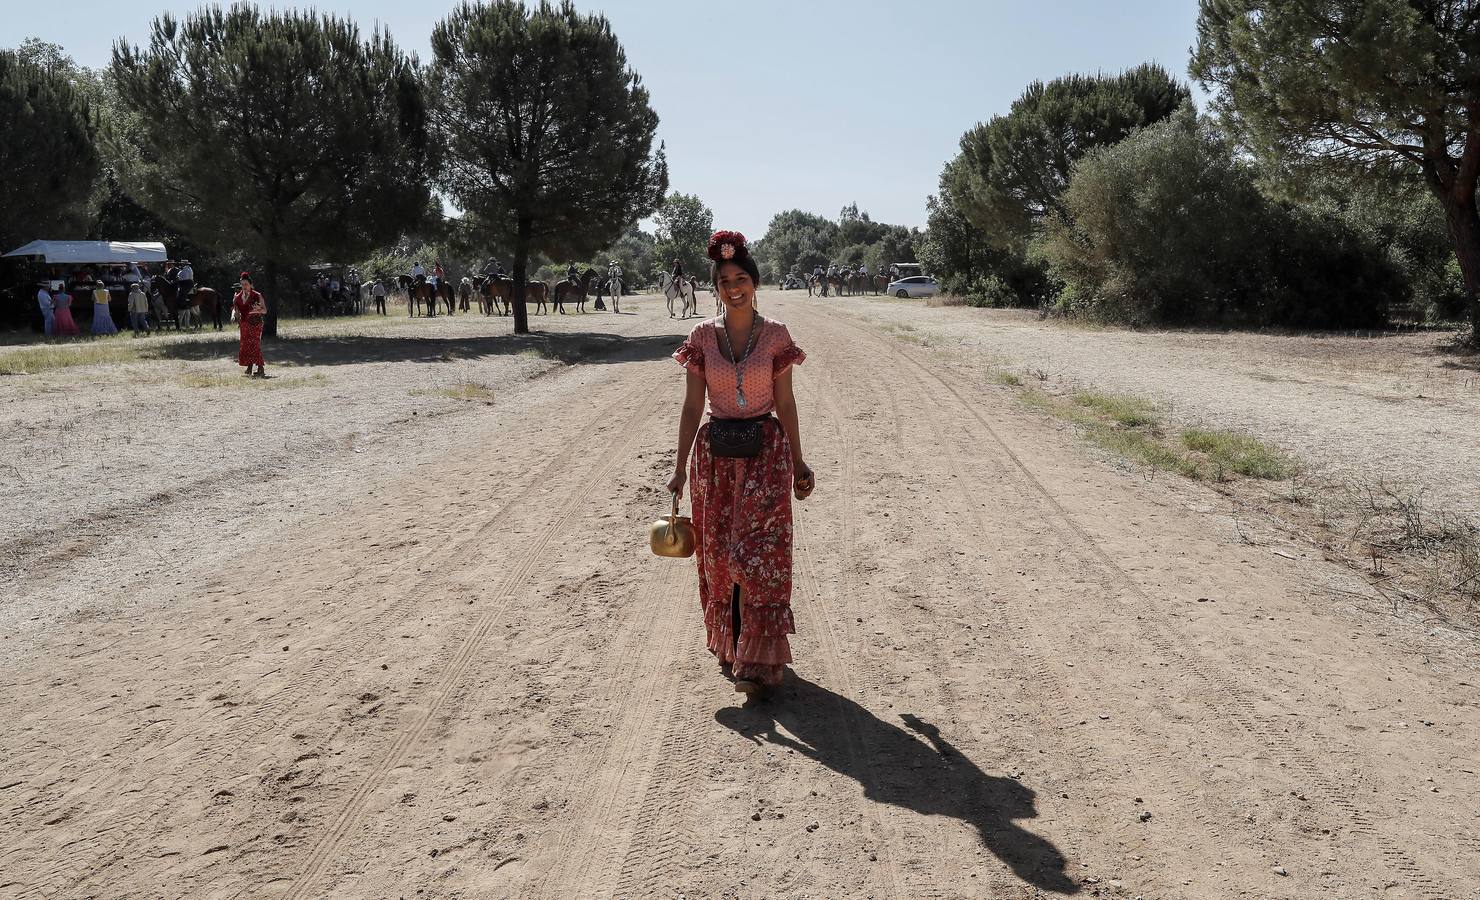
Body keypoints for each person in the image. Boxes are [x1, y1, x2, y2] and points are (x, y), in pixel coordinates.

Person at [667, 229, 813, 698]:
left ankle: (754, 661)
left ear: (755, 281)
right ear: (715, 287)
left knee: (760, 557)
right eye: (725, 279)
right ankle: (734, 647)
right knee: (721, 558)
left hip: (767, 456)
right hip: (714, 459)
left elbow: (786, 404)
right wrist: (677, 467)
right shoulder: (700, 337)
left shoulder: (776, 336)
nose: (734, 287)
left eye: (742, 277)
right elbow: (692, 407)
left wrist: (799, 459)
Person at [233, 272, 267, 378]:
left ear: (251, 285)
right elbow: (237, 311)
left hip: (255, 323)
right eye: (242, 284)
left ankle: (260, 368)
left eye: (246, 284)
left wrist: (253, 311)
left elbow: (264, 310)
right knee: (245, 345)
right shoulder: (237, 297)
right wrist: (235, 315)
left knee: (254, 344)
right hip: (244, 324)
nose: (244, 287)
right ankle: (249, 367)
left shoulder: (256, 295)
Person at [175, 259, 195, 328]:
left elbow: (182, 278)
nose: (181, 264)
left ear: (184, 264)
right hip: (189, 284)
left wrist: (178, 278)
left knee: (181, 293)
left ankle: (182, 303)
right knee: (187, 313)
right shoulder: (188, 269)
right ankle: (187, 325)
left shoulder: (185, 270)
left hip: (186, 284)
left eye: (182, 263)